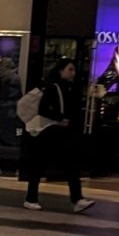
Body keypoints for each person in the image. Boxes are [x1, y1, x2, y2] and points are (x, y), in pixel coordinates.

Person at [21, 58, 95, 213]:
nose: (73, 73)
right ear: (61, 70)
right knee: (42, 164)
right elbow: (43, 109)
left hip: (63, 133)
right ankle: (31, 198)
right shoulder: (53, 87)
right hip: (51, 132)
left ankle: (77, 199)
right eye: (70, 69)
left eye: (74, 70)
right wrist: (60, 118)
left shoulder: (72, 88)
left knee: (70, 166)